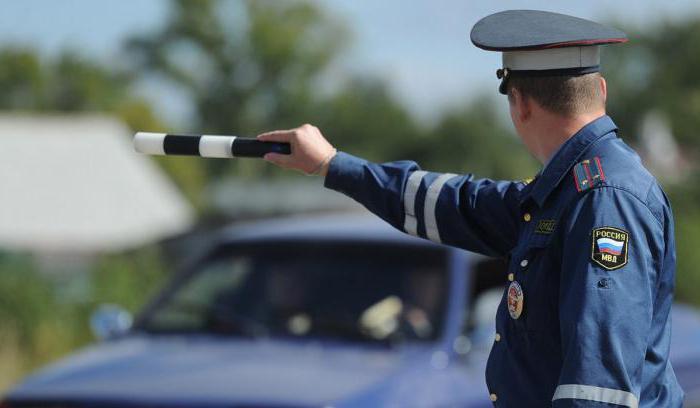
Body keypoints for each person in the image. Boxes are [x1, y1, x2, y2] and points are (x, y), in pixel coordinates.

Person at [256, 10, 683, 408]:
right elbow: (455, 203)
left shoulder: (602, 197)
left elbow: (598, 390)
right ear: (600, 90)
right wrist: (332, 164)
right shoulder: (568, 190)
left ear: (520, 104)